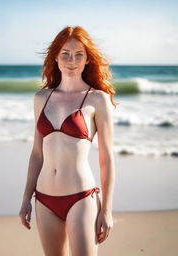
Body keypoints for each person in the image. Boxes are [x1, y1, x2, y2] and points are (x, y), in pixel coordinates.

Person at [19, 25, 117, 256]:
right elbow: (36, 154)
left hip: (81, 198)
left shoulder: (98, 99)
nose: (71, 60)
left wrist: (108, 210)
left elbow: (107, 158)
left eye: (79, 54)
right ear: (55, 57)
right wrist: (26, 198)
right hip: (43, 199)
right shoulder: (41, 98)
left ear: (87, 60)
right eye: (65, 53)